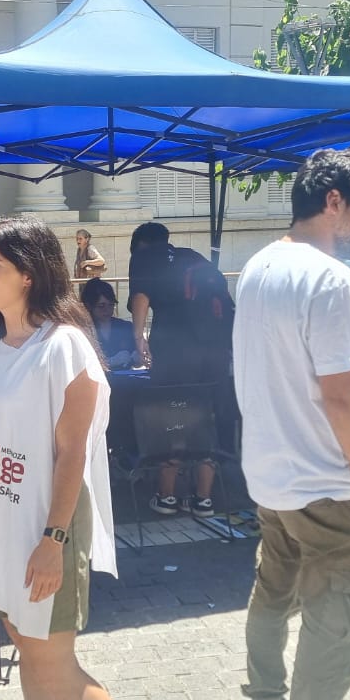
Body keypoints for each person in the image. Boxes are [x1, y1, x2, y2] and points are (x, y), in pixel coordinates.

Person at [0, 215, 130, 700]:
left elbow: (73, 453)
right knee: (27, 645)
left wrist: (53, 540)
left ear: (28, 274)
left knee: (58, 666)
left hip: (45, 528)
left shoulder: (65, 346)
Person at [233, 149, 350, 700]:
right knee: (337, 619)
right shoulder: (331, 278)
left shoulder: (259, 266)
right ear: (334, 201)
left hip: (272, 477)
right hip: (330, 482)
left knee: (272, 598)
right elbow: (342, 397)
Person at [128, 221, 235, 519]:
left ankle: (167, 497)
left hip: (175, 355)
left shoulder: (145, 257)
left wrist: (139, 340)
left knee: (173, 419)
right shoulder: (194, 257)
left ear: (140, 245)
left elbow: (140, 298)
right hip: (215, 353)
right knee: (206, 420)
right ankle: (203, 500)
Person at [80, 278, 136, 368]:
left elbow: (137, 359)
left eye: (111, 305)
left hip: (126, 376)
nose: (107, 310)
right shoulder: (82, 331)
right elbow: (81, 364)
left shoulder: (126, 327)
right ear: (89, 305)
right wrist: (111, 361)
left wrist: (137, 357)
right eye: (101, 306)